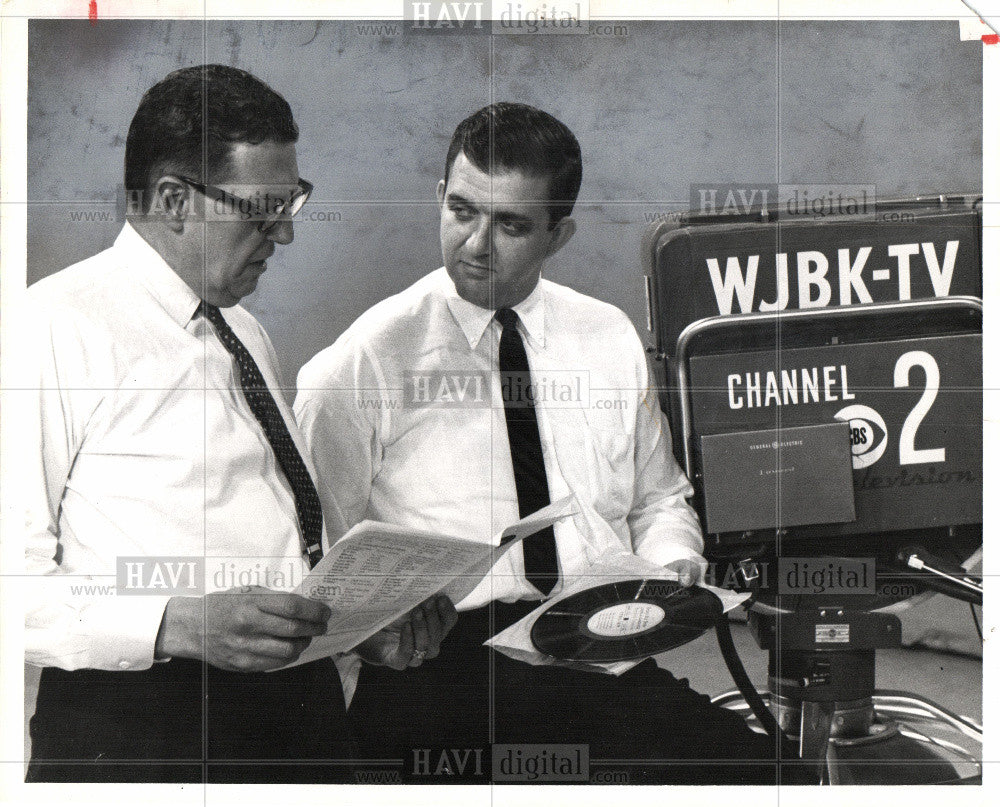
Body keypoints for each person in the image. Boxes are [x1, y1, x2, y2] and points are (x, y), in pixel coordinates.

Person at [294, 102, 789, 784]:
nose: (476, 244)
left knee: (773, 777)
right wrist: (379, 633)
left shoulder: (607, 336)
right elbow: (323, 566)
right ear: (440, 196)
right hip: (441, 679)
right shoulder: (358, 367)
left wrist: (674, 561)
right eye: (462, 210)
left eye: (512, 225)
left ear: (558, 234)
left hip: (598, 650)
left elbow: (659, 498)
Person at [20, 64, 455, 785]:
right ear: (172, 201)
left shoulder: (244, 330)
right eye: (261, 210)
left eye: (291, 205)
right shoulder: (47, 328)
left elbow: (270, 541)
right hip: (146, 738)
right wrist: (179, 622)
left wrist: (354, 630)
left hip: (300, 724)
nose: (283, 234)